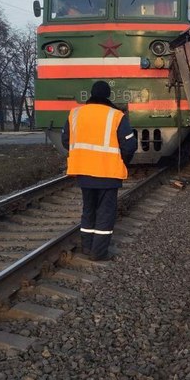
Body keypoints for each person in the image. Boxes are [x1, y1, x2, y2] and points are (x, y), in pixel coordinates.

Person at [61, 80, 137, 262]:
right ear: (108, 95)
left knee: (88, 210)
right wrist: (121, 160)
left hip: (83, 172)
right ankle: (99, 252)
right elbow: (130, 145)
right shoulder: (116, 116)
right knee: (105, 212)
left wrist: (82, 156)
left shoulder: (75, 114)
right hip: (107, 173)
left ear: (91, 95)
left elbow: (66, 140)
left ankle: (87, 248)